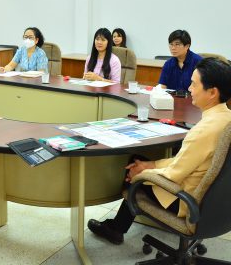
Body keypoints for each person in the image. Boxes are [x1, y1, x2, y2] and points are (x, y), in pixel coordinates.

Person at [87, 57, 231, 245]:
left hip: (187, 202)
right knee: (140, 162)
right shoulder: (226, 119)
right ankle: (117, 226)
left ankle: (116, 228)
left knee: (134, 169)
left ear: (212, 92)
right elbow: (186, 161)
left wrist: (141, 174)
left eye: (194, 84)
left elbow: (174, 174)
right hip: (216, 204)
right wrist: (150, 165)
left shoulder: (203, 130)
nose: (189, 89)